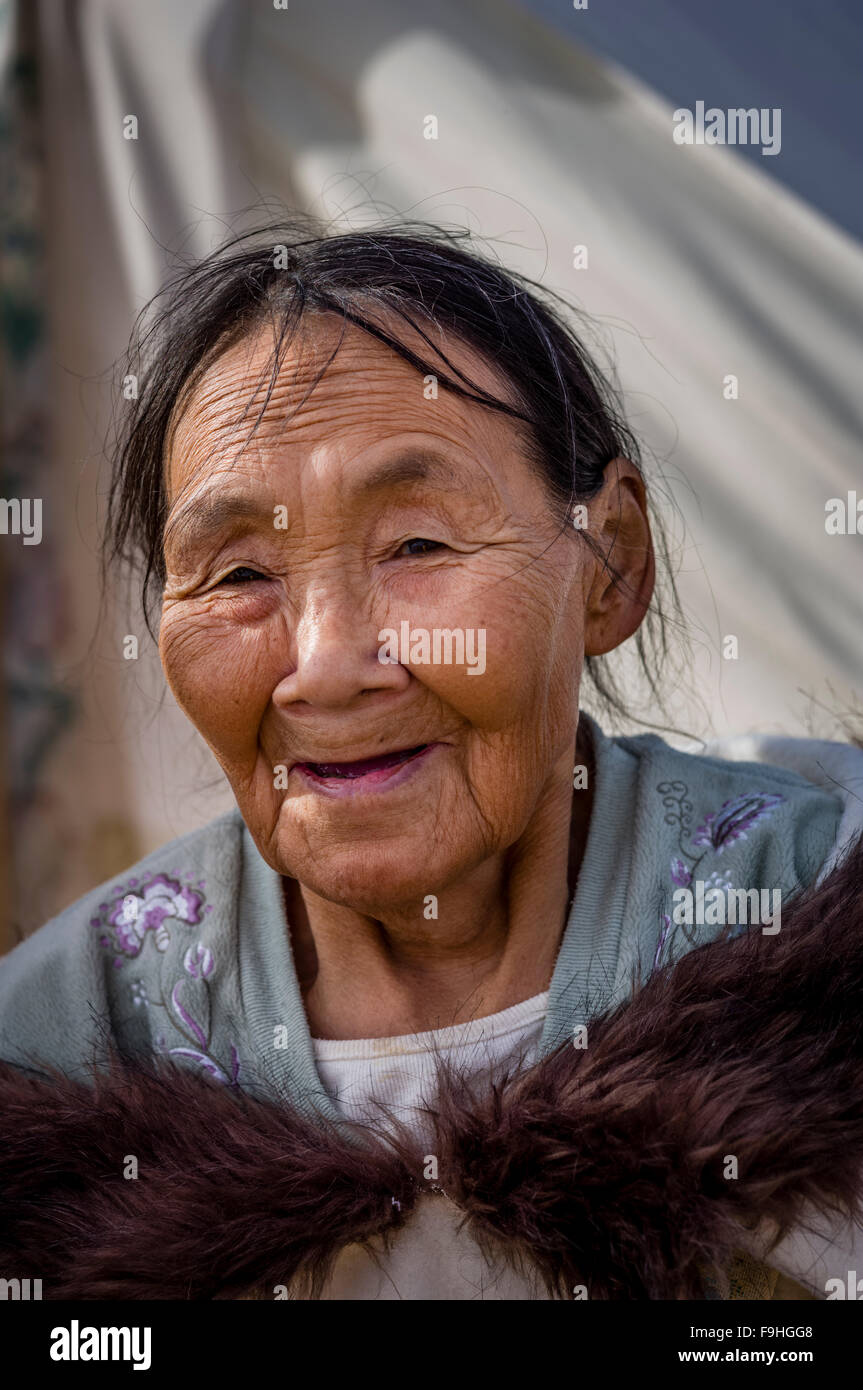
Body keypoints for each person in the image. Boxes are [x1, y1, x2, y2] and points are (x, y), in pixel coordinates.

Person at [1, 224, 861, 1300]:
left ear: (610, 563)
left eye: (416, 545)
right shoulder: (60, 1043)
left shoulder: (809, 911)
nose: (325, 670)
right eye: (236, 574)